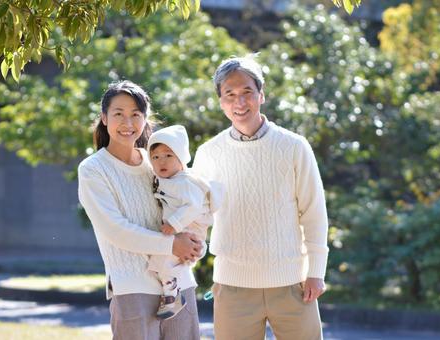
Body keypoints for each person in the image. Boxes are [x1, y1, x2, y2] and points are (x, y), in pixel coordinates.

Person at [192, 55, 329, 340]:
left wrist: (316, 271)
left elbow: (313, 212)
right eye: (230, 95)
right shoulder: (208, 153)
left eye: (247, 93)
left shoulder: (294, 146)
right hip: (232, 286)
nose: (239, 102)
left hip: (293, 283)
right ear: (220, 101)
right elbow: (197, 214)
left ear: (261, 95)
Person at [78, 80, 202, 340]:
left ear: (146, 120)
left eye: (136, 114)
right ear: (104, 118)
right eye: (118, 114)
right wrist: (172, 245)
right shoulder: (93, 169)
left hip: (179, 283)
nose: (128, 123)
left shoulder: (157, 162)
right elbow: (116, 231)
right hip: (133, 289)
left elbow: (189, 201)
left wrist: (193, 243)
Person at [146, 125, 222, 320]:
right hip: (184, 229)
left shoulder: (185, 182)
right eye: (155, 157)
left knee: (165, 261)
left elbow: (193, 206)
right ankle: (172, 291)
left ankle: (172, 296)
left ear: (181, 158)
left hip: (190, 227)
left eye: (168, 156)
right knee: (165, 261)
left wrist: (174, 224)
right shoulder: (167, 179)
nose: (161, 161)